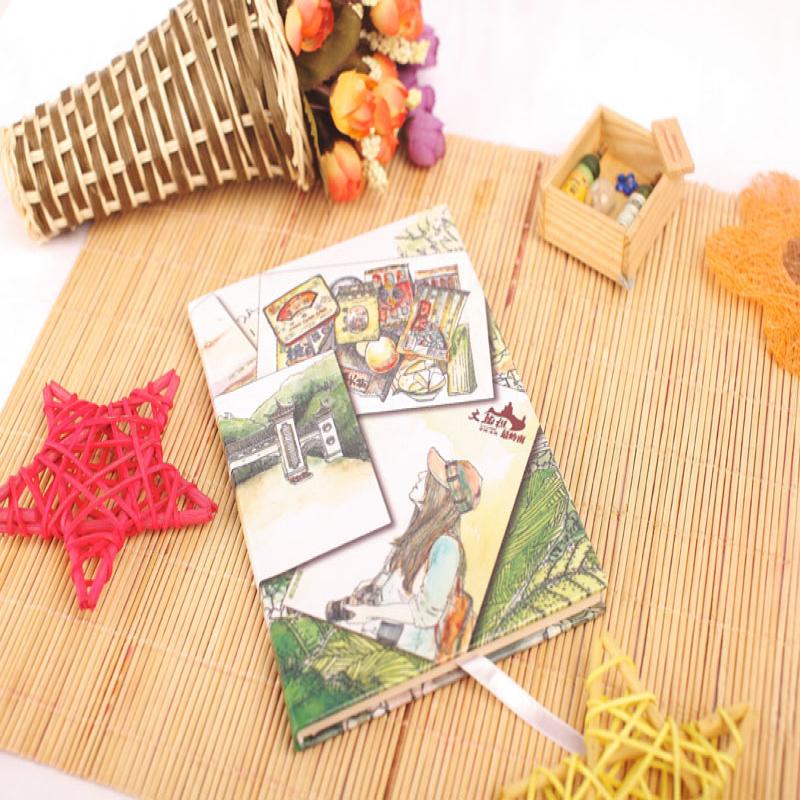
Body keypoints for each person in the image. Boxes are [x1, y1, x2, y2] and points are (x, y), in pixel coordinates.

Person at [327, 447, 482, 661]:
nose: (421, 475)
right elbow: (394, 583)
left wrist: (368, 613)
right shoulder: (419, 534)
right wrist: (369, 590)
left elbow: (425, 614)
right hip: (379, 638)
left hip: (405, 654)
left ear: (440, 494)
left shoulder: (447, 547)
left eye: (430, 476)